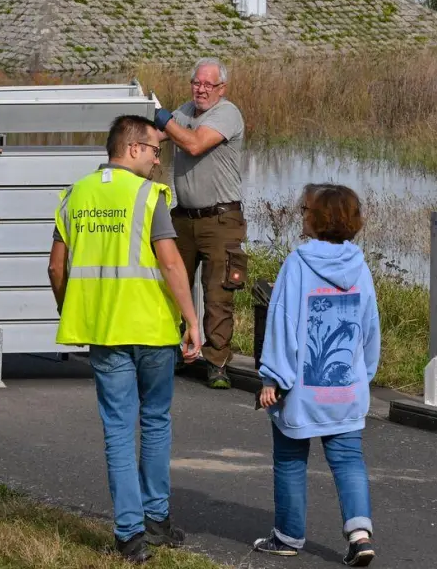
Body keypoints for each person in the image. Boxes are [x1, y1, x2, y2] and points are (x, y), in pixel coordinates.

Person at [49, 115, 205, 564]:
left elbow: (56, 268)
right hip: (153, 329)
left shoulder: (75, 195)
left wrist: (71, 307)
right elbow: (172, 265)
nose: (159, 161)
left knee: (118, 429)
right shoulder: (147, 196)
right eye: (156, 151)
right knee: (155, 421)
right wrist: (192, 322)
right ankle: (157, 520)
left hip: (103, 331)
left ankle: (130, 536)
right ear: (132, 148)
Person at [254, 184, 380, 567]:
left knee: (291, 459)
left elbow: (282, 323)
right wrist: (363, 375)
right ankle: (360, 536)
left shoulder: (298, 263)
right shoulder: (360, 266)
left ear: (315, 218)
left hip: (301, 390)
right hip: (346, 387)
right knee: (348, 461)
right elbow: (369, 328)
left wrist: (272, 378)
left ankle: (288, 535)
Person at [153, 57, 247, 389]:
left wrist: (164, 120)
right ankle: (174, 351)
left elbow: (193, 144)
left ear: (222, 88)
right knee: (171, 285)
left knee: (218, 292)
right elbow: (158, 135)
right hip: (184, 217)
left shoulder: (227, 113)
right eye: (197, 83)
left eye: (208, 85)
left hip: (221, 218)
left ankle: (217, 362)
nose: (201, 90)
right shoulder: (184, 112)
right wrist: (141, 125)